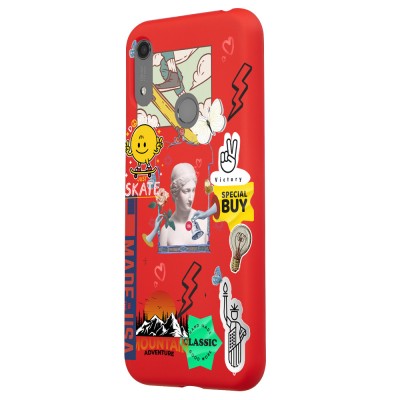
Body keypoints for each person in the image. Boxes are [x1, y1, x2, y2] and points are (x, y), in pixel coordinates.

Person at [159, 163, 208, 246]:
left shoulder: (204, 222)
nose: (191, 198)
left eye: (193, 190)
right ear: (175, 193)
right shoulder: (166, 231)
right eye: (186, 191)